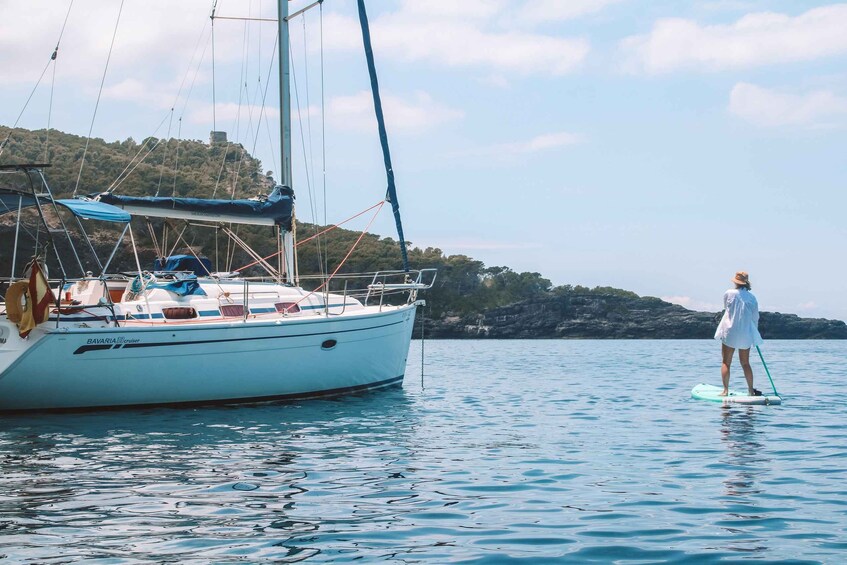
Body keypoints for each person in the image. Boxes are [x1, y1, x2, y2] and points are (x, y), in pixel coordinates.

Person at [714, 271, 764, 396]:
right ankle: (750, 390)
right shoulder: (752, 297)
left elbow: (727, 309)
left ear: (735, 282)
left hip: (729, 331)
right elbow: (755, 318)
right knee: (745, 363)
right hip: (745, 333)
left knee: (726, 362)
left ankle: (725, 391)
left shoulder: (728, 293)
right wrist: (754, 335)